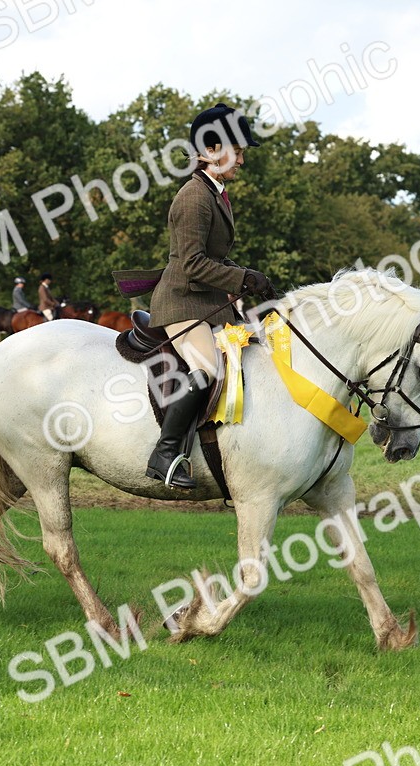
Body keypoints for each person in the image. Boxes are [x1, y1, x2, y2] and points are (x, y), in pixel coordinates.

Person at [144, 102, 277, 490]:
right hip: (183, 300)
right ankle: (165, 453)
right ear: (210, 150)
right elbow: (191, 265)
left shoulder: (214, 193)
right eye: (237, 151)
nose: (242, 160)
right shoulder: (194, 196)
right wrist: (241, 277)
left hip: (208, 301)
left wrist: (250, 277)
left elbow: (214, 257)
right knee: (209, 371)